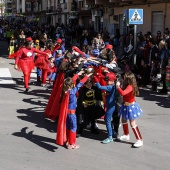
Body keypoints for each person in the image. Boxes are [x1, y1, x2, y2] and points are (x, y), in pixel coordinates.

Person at [56, 72, 92, 149]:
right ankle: (71, 143)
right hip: (72, 113)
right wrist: (86, 76)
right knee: (73, 127)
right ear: (71, 85)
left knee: (68, 127)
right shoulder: (72, 92)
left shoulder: (64, 90)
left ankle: (67, 141)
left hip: (66, 112)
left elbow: (71, 81)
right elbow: (80, 84)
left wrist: (77, 74)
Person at [116, 72, 143, 148]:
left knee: (132, 123)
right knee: (123, 120)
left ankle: (139, 139)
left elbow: (123, 93)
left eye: (125, 77)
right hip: (125, 105)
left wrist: (118, 86)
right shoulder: (127, 85)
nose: (123, 78)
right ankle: (126, 135)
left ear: (128, 79)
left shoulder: (130, 86)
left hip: (131, 107)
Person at [93, 72, 117, 144]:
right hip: (111, 105)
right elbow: (106, 78)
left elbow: (100, 87)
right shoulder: (113, 85)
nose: (106, 81)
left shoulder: (110, 87)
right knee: (107, 119)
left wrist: (96, 79)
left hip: (110, 107)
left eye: (107, 80)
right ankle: (112, 132)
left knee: (107, 121)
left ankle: (110, 137)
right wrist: (100, 75)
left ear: (112, 81)